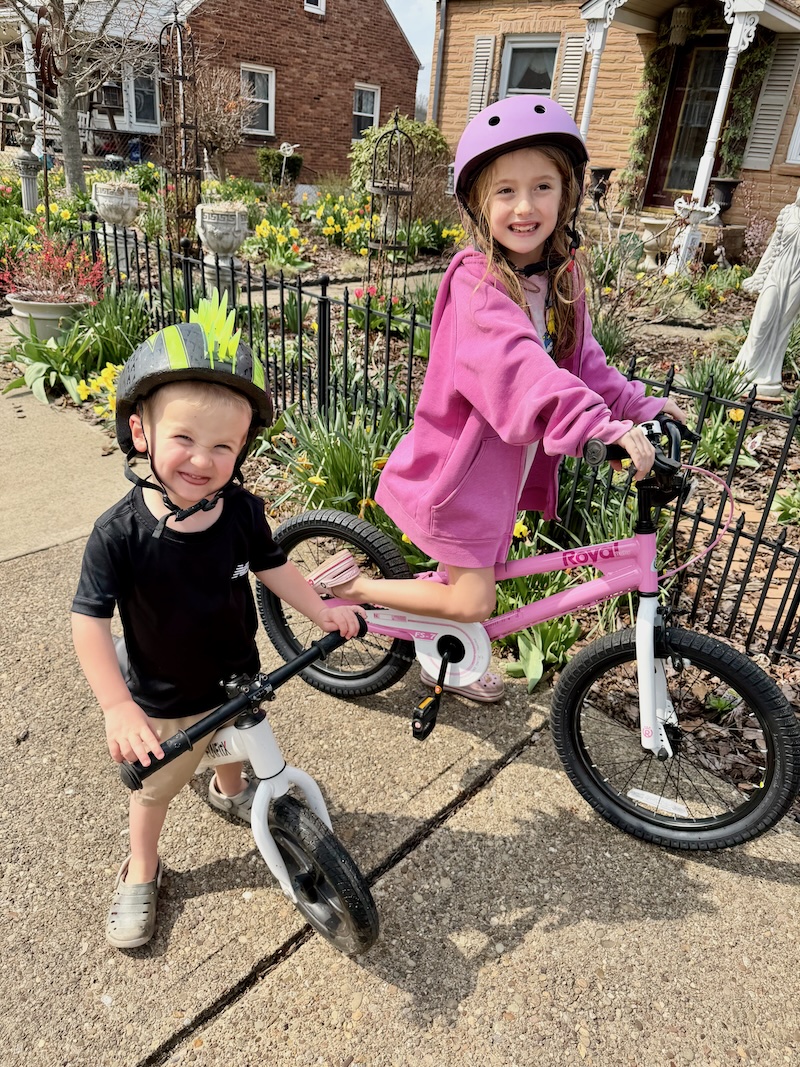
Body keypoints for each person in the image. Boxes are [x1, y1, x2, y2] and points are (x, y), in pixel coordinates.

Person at [306, 95, 686, 701]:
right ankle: (353, 590)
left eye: (542, 186)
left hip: (500, 469)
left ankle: (442, 659)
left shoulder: (562, 277)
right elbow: (519, 370)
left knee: (471, 581)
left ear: (567, 194)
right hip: (461, 472)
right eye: (505, 191)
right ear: (479, 204)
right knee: (474, 596)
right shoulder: (477, 285)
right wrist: (595, 427)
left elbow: (579, 361)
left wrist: (639, 407)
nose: (525, 206)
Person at [72, 305, 364, 949]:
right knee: (154, 791)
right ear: (140, 432)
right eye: (184, 438)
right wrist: (118, 708)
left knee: (235, 750)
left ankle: (230, 793)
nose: (203, 460)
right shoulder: (118, 534)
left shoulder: (240, 511)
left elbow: (274, 568)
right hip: (166, 696)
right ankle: (143, 867)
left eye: (223, 446)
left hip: (236, 674)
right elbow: (89, 622)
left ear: (242, 450)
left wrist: (322, 609)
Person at [735, 186, 800, 396]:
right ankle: (744, 369)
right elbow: (773, 248)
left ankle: (769, 376)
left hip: (797, 279)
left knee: (782, 326)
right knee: (762, 320)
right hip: (777, 272)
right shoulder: (788, 213)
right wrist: (758, 276)